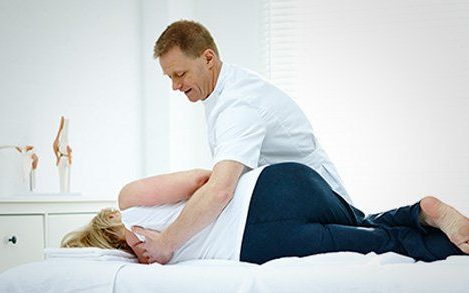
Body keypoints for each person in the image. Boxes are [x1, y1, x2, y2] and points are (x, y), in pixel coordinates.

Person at [142, 20, 352, 264]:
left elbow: (220, 190)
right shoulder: (222, 93)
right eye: (169, 77)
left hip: (322, 207)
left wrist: (165, 243)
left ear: (208, 59)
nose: (175, 86)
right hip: (297, 207)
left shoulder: (238, 104)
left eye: (180, 74)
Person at [62, 163, 469, 265]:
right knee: (362, 223)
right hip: (278, 184)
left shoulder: (143, 258)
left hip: (259, 241)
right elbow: (203, 179)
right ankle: (421, 211)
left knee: (387, 244)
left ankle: (435, 230)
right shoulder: (129, 198)